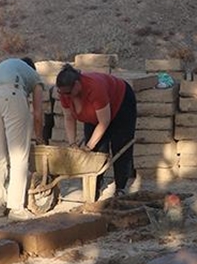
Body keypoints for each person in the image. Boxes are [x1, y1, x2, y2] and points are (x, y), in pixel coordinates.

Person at [55, 64, 138, 197]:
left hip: (121, 102)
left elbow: (104, 122)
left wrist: (88, 146)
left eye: (68, 93)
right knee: (97, 151)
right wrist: (73, 144)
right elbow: (69, 119)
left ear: (77, 84)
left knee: (120, 145)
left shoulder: (94, 88)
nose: (66, 96)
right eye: (62, 93)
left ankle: (120, 187)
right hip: (95, 115)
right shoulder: (65, 93)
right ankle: (96, 185)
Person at [0, 57, 45, 219]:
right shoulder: (35, 77)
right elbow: (37, 114)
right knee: (19, 155)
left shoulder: (9, 66)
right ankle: (16, 209)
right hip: (11, 94)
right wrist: (40, 138)